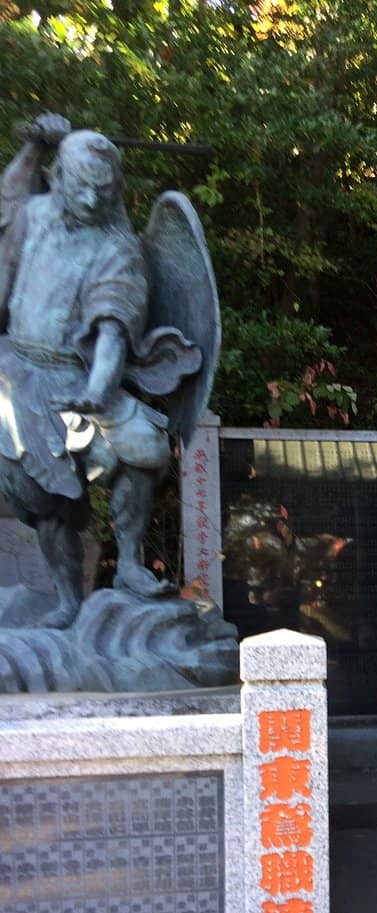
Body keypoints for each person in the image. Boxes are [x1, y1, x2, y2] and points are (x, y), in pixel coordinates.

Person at [0, 115, 195, 626]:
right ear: (59, 178)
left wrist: (96, 389)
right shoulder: (35, 215)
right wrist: (34, 148)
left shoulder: (118, 249)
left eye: (102, 192)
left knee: (143, 449)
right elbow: (7, 205)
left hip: (80, 378)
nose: (90, 201)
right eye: (80, 188)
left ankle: (129, 563)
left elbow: (112, 331)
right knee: (48, 499)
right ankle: (68, 601)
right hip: (15, 374)